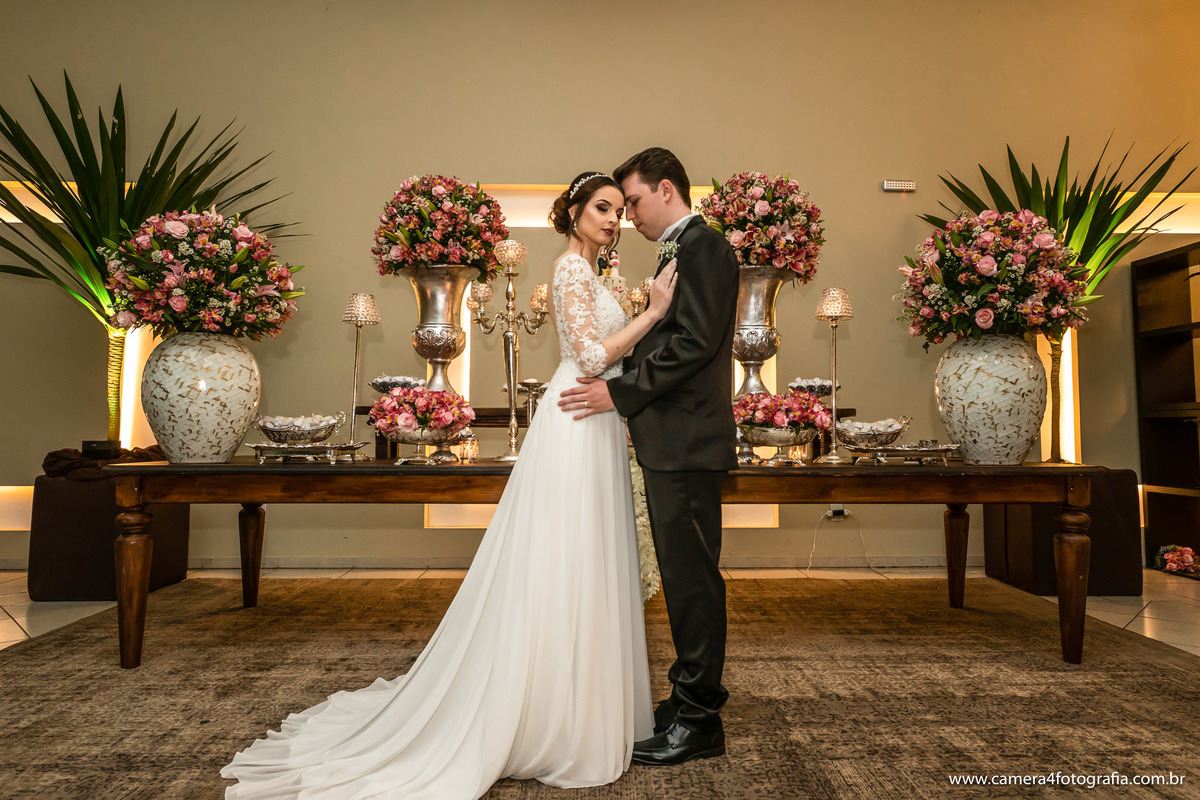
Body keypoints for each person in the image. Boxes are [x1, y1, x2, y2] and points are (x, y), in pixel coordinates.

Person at [220, 171, 679, 799]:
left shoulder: (595, 275)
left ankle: (581, 705)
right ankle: (550, 713)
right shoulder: (571, 270)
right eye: (601, 208)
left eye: (618, 211)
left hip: (595, 419)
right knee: (564, 557)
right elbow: (593, 357)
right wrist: (653, 313)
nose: (612, 219)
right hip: (576, 419)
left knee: (586, 557)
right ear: (574, 213)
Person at [559, 147, 739, 766]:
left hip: (687, 440)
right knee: (683, 578)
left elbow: (694, 343)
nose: (628, 216)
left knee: (692, 582)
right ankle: (686, 700)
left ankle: (700, 720)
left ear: (666, 190)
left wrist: (620, 391)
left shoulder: (704, 248)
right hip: (672, 440)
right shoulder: (678, 250)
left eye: (633, 201)